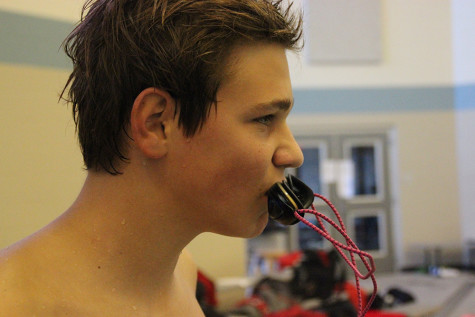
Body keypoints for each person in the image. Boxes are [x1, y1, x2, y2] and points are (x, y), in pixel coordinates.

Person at [0, 0, 304, 315]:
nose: (292, 154)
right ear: (156, 124)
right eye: (265, 118)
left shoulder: (180, 274)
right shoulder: (13, 304)